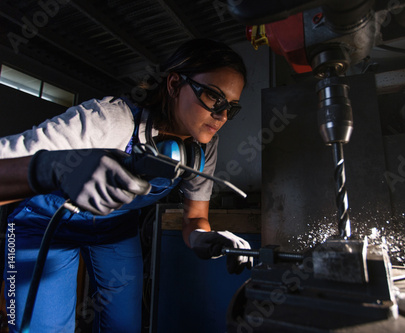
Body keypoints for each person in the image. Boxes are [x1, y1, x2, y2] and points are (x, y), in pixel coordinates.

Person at [0, 38, 253, 332]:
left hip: (114, 230)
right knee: (43, 327)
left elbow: (195, 217)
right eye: (213, 98)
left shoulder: (203, 147)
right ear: (173, 84)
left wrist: (201, 238)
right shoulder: (107, 121)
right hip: (44, 225)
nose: (222, 116)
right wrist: (53, 168)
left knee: (124, 326)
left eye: (230, 108)